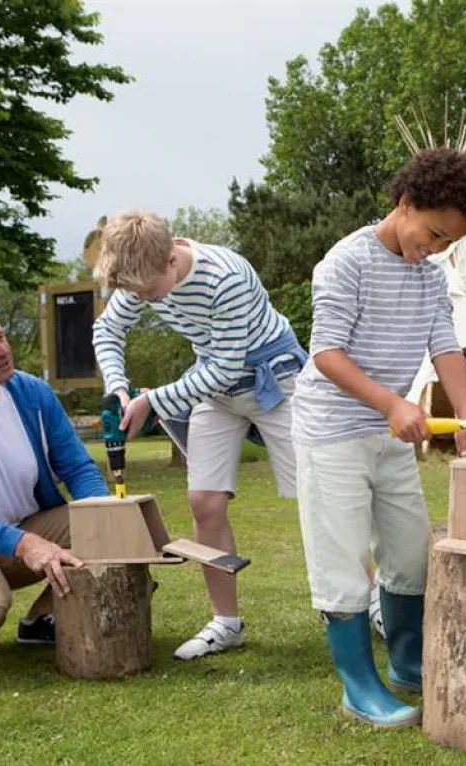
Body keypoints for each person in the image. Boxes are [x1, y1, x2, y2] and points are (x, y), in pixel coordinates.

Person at [291, 148, 466, 729]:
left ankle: (409, 664)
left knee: (410, 552)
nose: (435, 249)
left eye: (448, 243)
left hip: (386, 433)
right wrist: (391, 403)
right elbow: (326, 353)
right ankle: (359, 686)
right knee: (341, 558)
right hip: (331, 432)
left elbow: (447, 349)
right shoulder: (345, 262)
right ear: (406, 203)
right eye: (434, 234)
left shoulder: (431, 277)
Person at [93, 210, 307, 661]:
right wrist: (118, 386)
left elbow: (228, 367)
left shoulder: (224, 276)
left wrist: (153, 401)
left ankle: (361, 602)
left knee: (317, 495)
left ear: (171, 259)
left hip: (275, 377)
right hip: (213, 385)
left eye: (148, 291)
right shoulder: (141, 273)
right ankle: (226, 624)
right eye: (137, 293)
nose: (143, 300)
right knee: (204, 503)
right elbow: (107, 330)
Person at [0, 318, 107, 645]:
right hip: (16, 540)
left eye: (0, 337)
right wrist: (24, 544)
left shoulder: (33, 394)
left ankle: (43, 619)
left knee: (111, 525)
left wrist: (103, 510)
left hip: (21, 530)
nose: (2, 351)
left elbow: (78, 468)